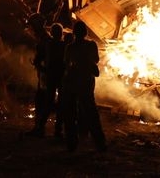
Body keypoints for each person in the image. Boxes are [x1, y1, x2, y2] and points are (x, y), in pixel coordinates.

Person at [60, 20, 106, 152]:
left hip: (71, 82)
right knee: (91, 112)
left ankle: (71, 143)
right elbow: (96, 60)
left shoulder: (70, 47)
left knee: (70, 113)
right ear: (85, 32)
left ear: (74, 33)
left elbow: (66, 64)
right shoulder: (91, 45)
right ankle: (99, 143)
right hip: (85, 82)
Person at [39, 23, 66, 138]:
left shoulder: (49, 44)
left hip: (51, 76)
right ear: (61, 33)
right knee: (61, 103)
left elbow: (47, 60)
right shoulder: (64, 45)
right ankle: (58, 130)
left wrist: (43, 69)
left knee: (48, 102)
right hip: (61, 76)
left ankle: (41, 127)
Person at [27, 12, 51, 137]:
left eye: (32, 26)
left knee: (41, 101)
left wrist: (38, 63)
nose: (30, 29)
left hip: (45, 75)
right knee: (42, 100)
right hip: (43, 74)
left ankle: (39, 128)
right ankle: (39, 127)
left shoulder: (45, 39)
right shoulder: (43, 38)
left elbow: (46, 57)